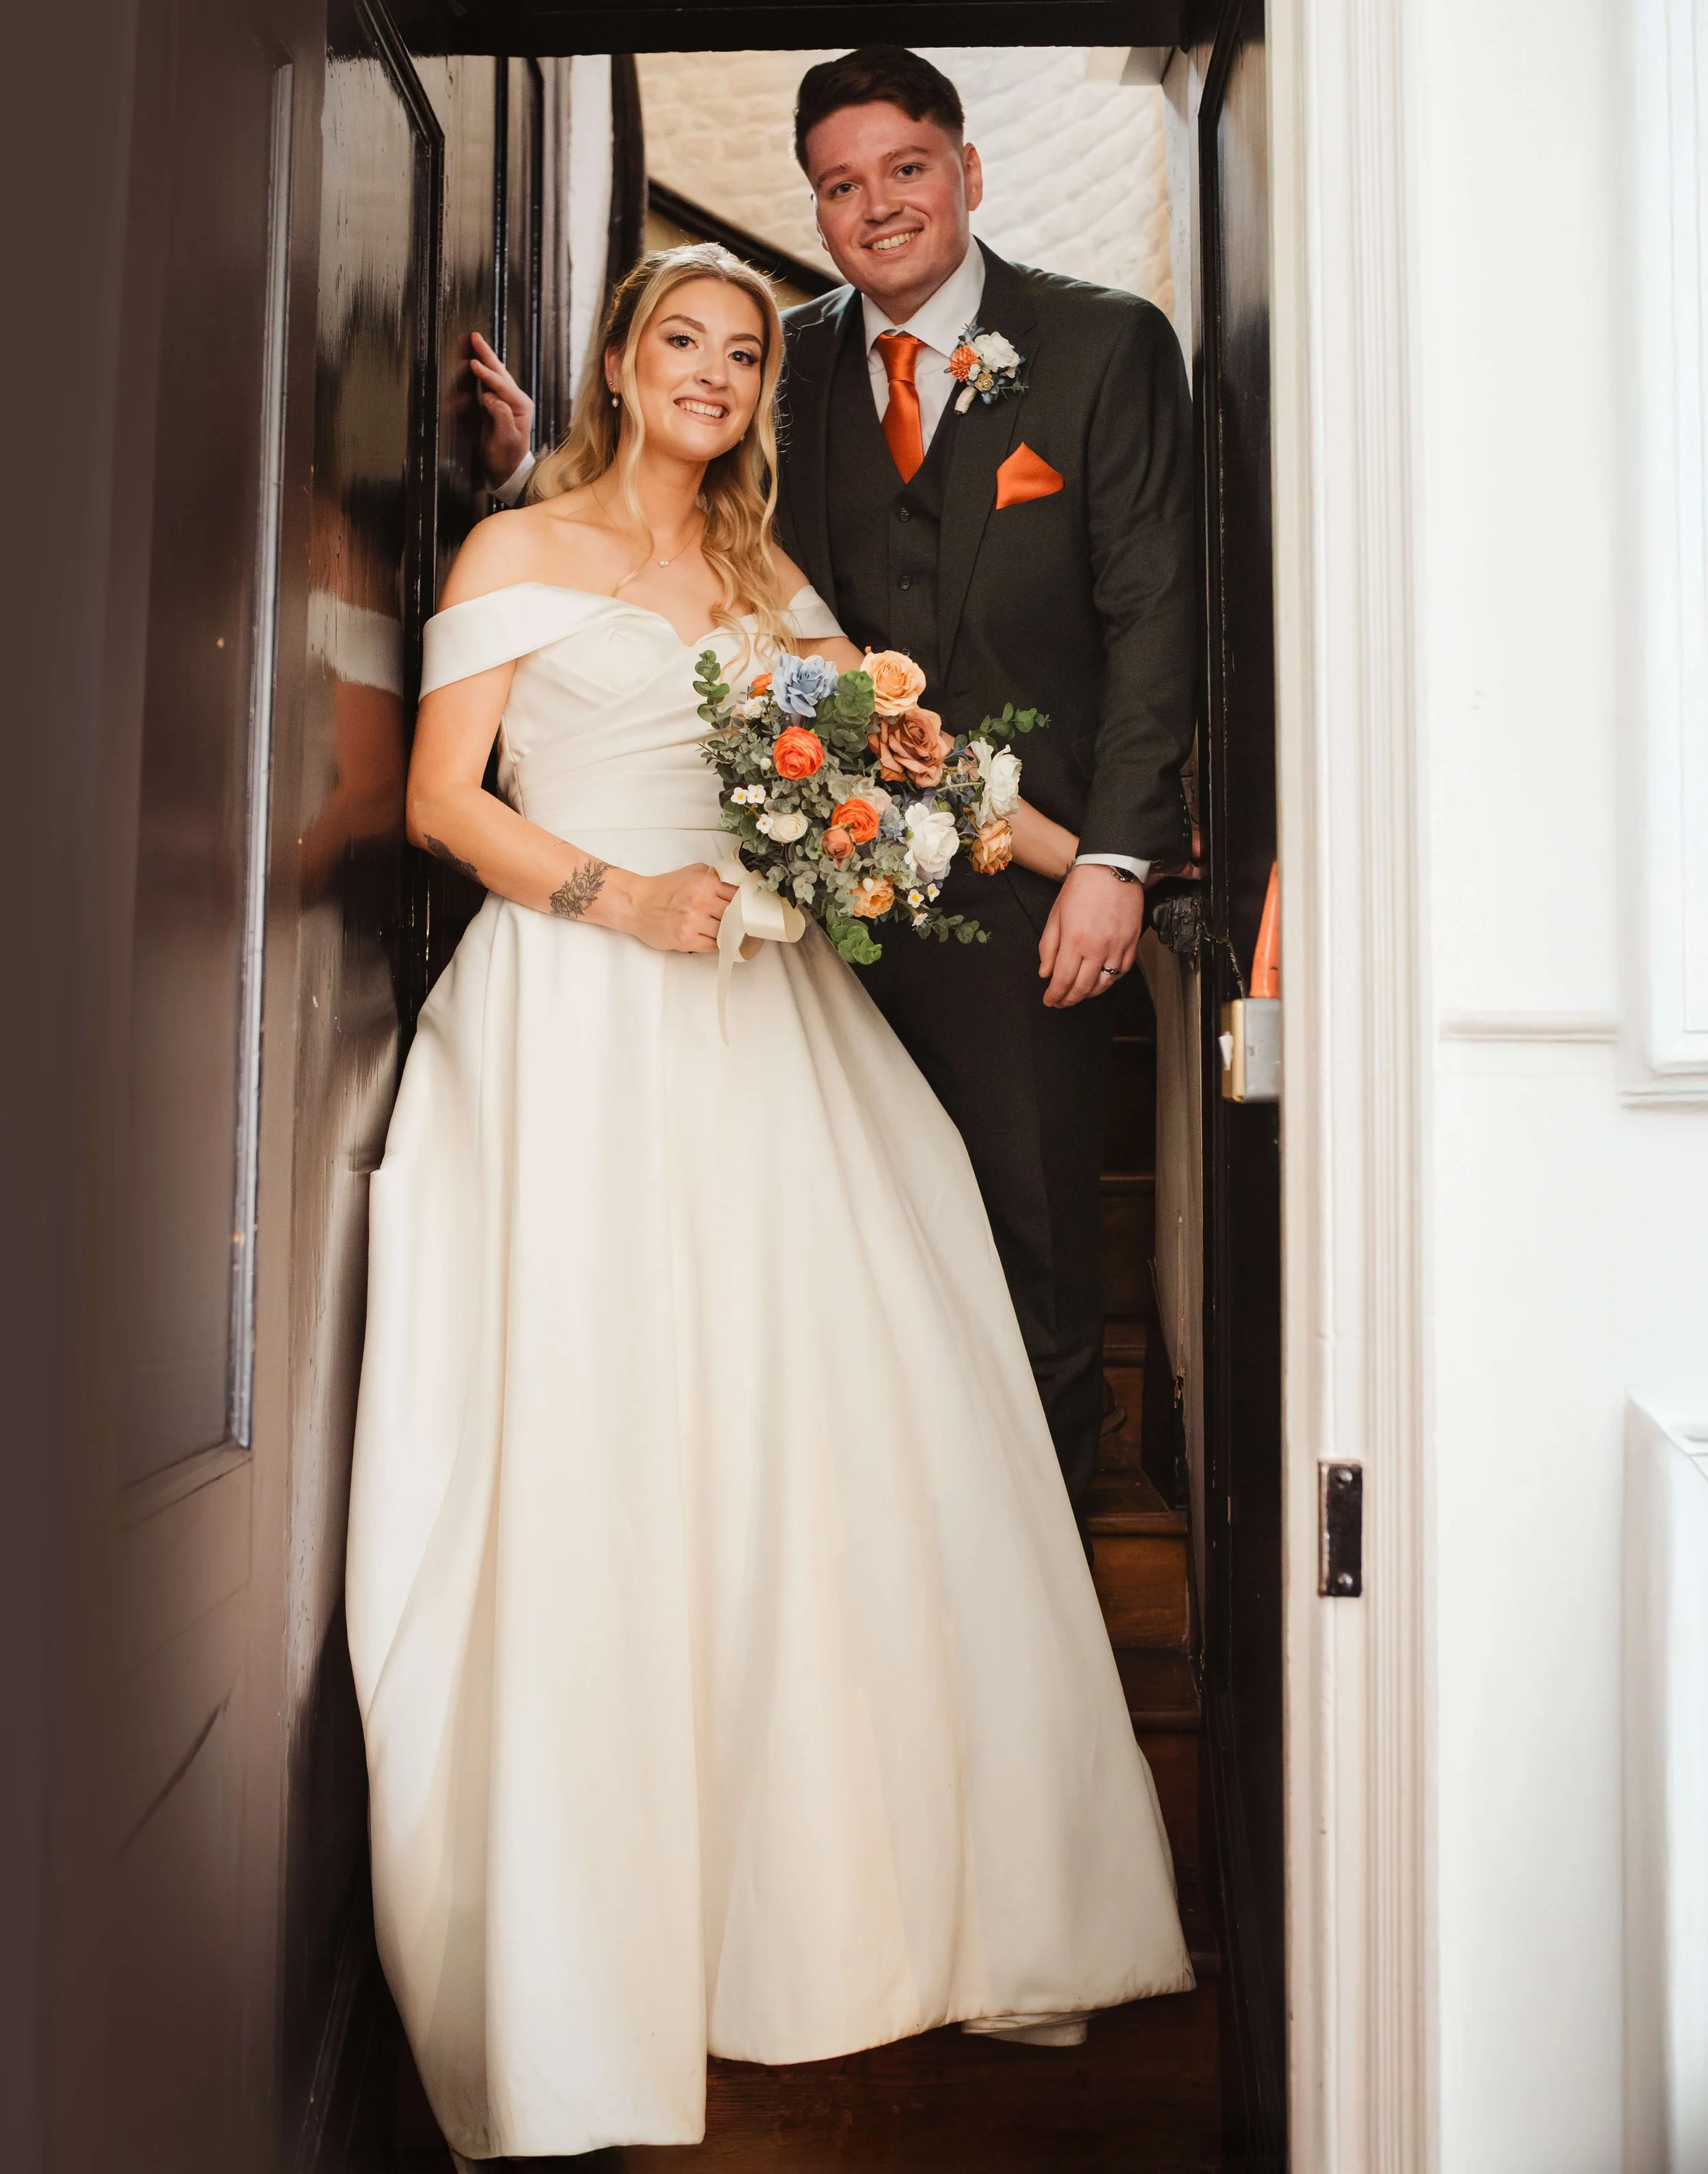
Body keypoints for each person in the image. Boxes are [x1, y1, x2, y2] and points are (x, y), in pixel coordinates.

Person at [345, 242, 1191, 2166]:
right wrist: (615, 899)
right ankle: (594, 1916)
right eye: (684, 342)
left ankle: (826, 1891)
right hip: (577, 1014)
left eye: (745, 350)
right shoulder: (516, 553)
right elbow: (439, 800)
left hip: (764, 1022)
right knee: (602, 1426)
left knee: (812, 1444)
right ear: (621, 368)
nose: (718, 372)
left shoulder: (764, 583)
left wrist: (1112, 858)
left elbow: (926, 768)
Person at [489, 48, 1196, 1525]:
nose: (875, 207)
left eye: (904, 168)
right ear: (811, 211)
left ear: (966, 171)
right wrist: (520, 486)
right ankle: (886, 1532)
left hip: (1025, 899)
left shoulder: (1101, 346)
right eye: (838, 184)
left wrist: (1112, 865)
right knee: (847, 1249)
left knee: (1035, 1232)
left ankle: (1045, 1553)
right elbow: (663, 516)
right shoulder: (776, 362)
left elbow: (1153, 623)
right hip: (800, 899)